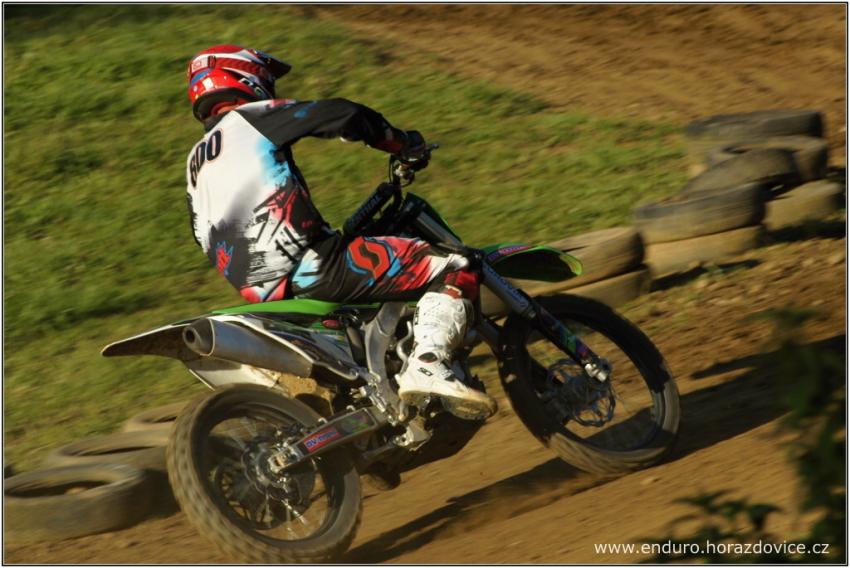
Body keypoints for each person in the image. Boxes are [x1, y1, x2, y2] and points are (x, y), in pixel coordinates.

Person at [185, 44, 495, 419]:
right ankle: (427, 363)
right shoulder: (249, 119)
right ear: (245, 77)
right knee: (457, 265)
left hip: (265, 293)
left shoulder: (196, 163)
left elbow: (201, 232)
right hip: (314, 265)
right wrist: (401, 143)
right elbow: (343, 113)